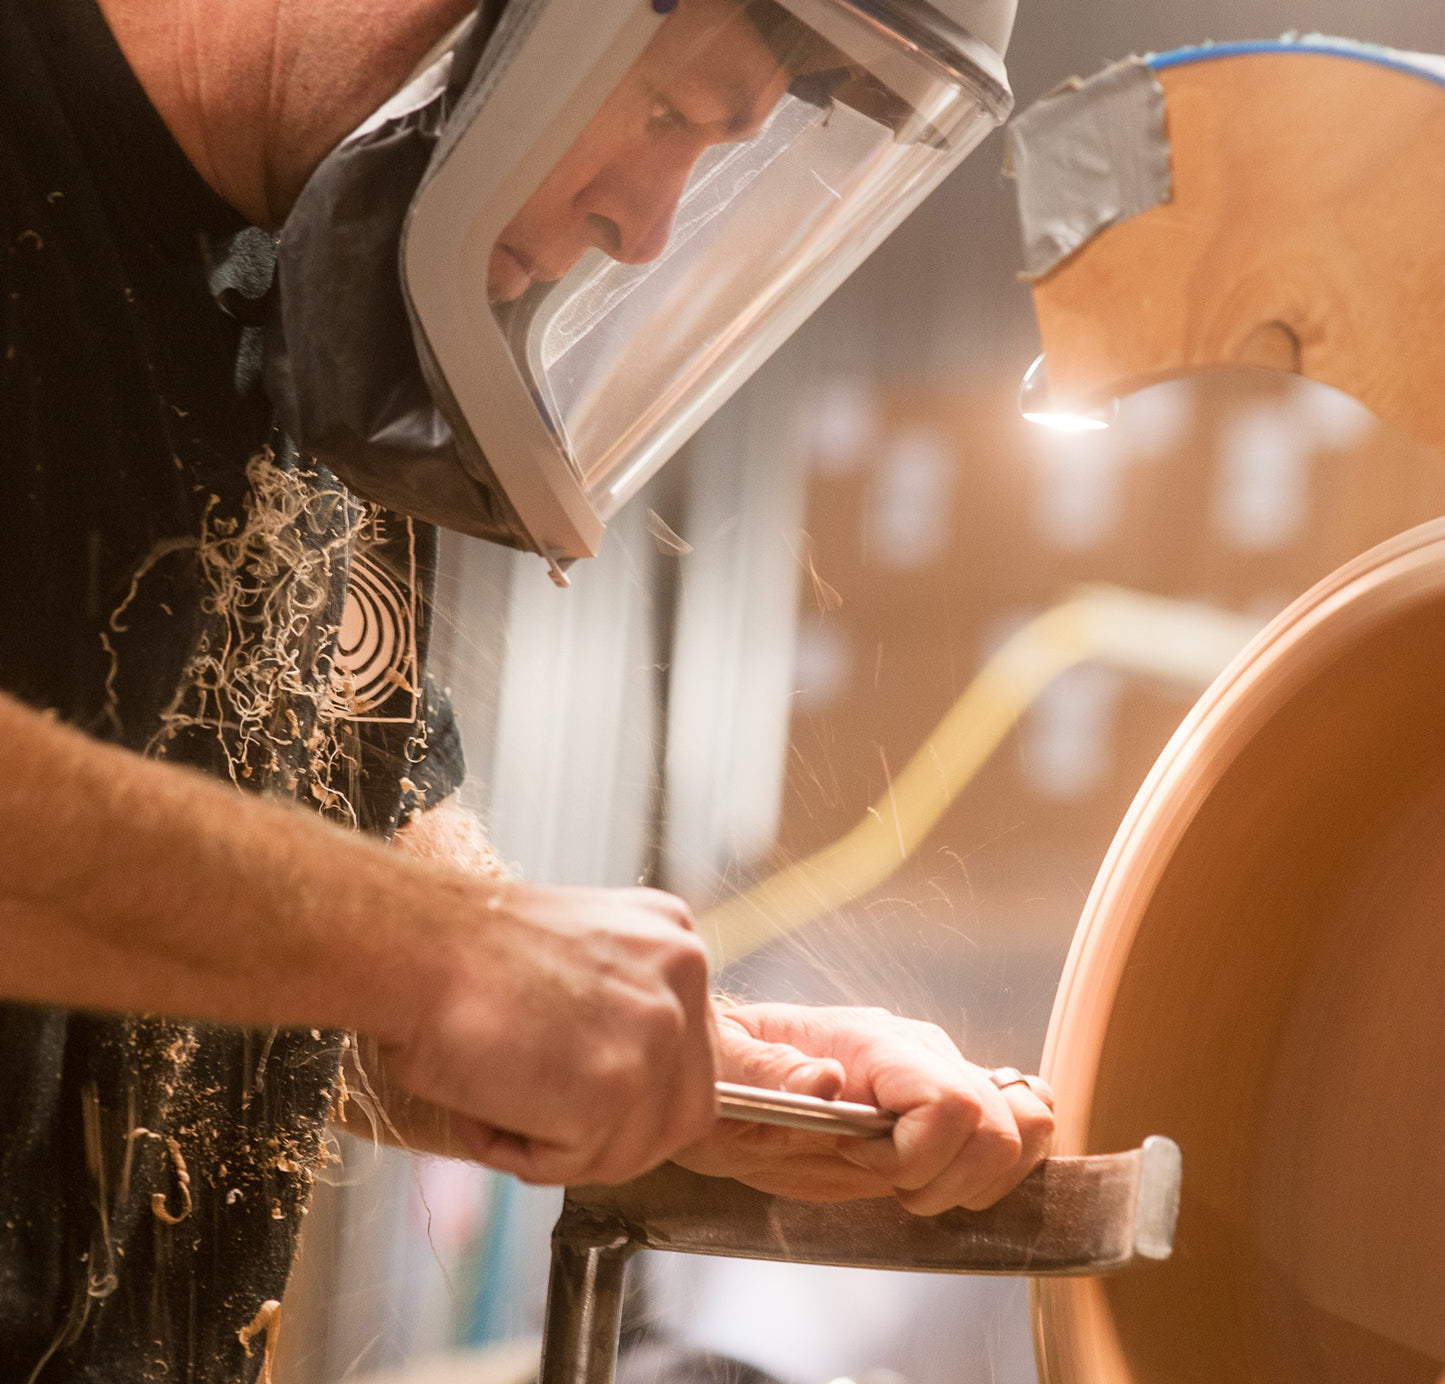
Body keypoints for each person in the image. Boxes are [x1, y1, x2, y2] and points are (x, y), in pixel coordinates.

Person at [0, 0, 1052, 1378]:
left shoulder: (325, 299)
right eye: (668, 110)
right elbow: (386, 937)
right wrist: (440, 955)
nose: (647, 228)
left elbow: (281, 870)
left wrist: (695, 1070)